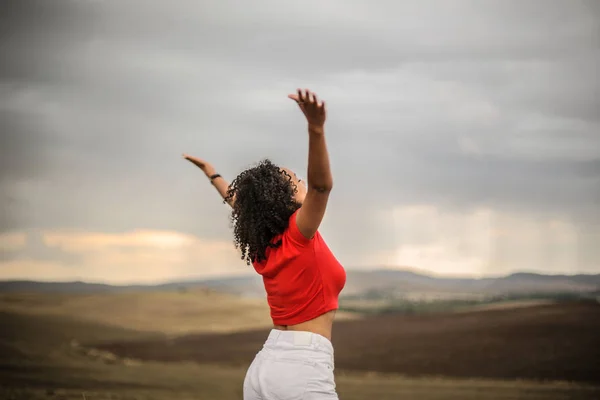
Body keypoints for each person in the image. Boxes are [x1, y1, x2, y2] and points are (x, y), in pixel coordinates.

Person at [183, 89, 346, 399]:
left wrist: (212, 174)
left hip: (267, 362)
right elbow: (322, 186)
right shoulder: (299, 234)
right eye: (295, 179)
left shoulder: (265, 241)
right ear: (283, 197)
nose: (301, 182)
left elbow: (239, 204)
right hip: (302, 366)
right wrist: (316, 128)